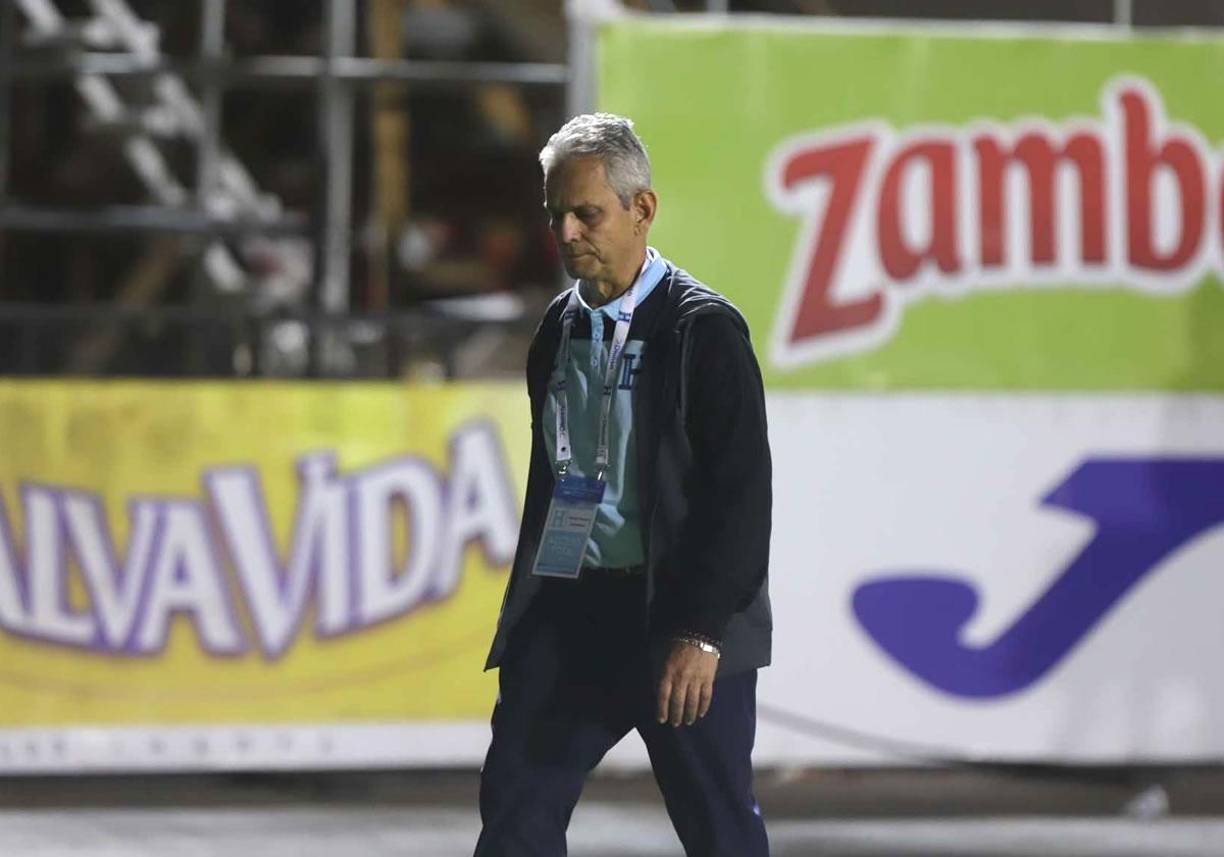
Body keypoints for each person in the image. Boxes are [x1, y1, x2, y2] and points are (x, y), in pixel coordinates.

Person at [474, 112, 773, 857]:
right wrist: (532, 623)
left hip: (678, 618)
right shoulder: (558, 329)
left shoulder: (704, 331)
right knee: (515, 814)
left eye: (587, 213)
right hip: (573, 612)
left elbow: (741, 498)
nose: (567, 232)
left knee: (720, 830)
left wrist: (702, 631)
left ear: (643, 209)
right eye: (556, 215)